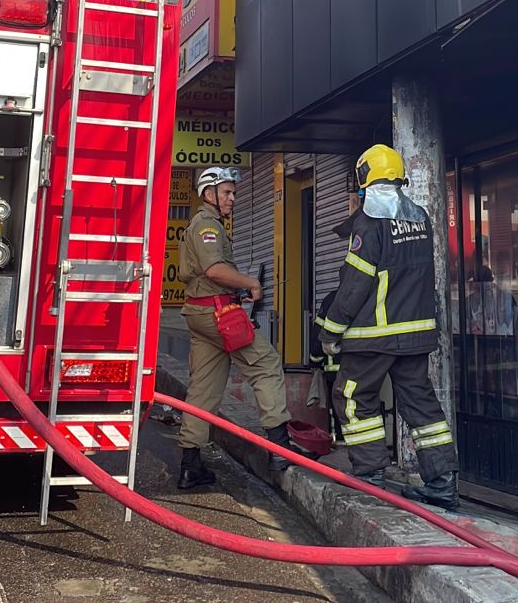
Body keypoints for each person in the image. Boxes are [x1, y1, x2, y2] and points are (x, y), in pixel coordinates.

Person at [317, 144, 459, 509]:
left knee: (352, 396)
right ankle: (442, 483)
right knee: (422, 407)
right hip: (415, 336)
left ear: (365, 177)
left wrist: (331, 330)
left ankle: (370, 476)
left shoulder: (368, 223)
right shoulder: (420, 218)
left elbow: (354, 284)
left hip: (373, 337)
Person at [175, 166, 294, 489]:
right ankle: (280, 448)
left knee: (203, 388)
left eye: (233, 193)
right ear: (208, 194)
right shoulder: (207, 226)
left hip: (203, 316)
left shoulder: (207, 224)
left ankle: (190, 464)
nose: (232, 198)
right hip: (218, 314)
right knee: (266, 364)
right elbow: (214, 270)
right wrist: (251, 282)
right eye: (227, 192)